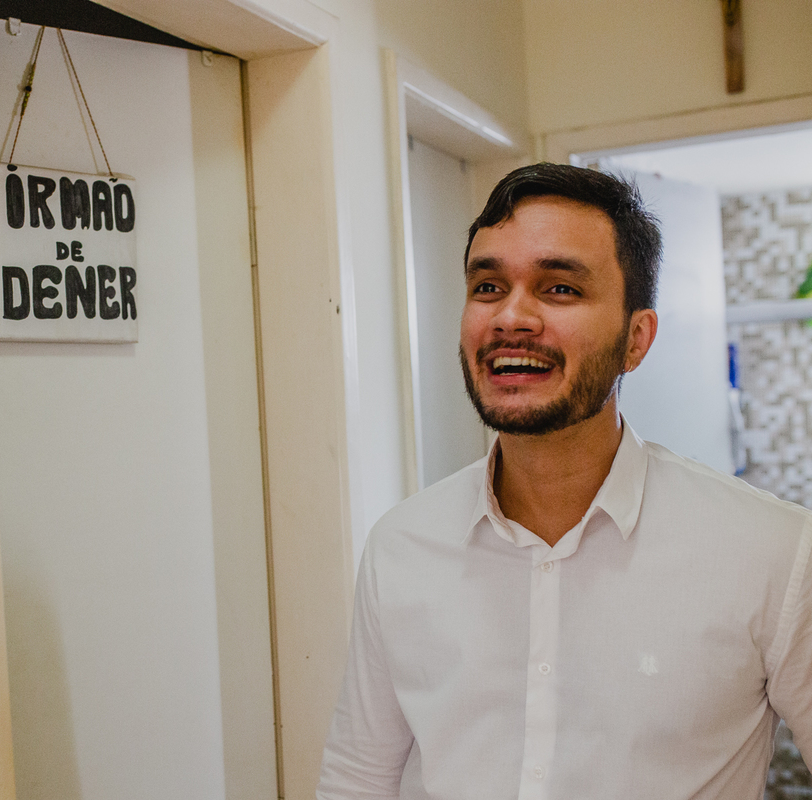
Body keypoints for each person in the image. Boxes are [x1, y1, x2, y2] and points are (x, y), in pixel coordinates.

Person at [317, 163, 812, 800]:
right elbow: (358, 777)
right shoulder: (401, 547)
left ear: (636, 339)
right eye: (488, 286)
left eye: (559, 289)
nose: (511, 317)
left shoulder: (773, 552)